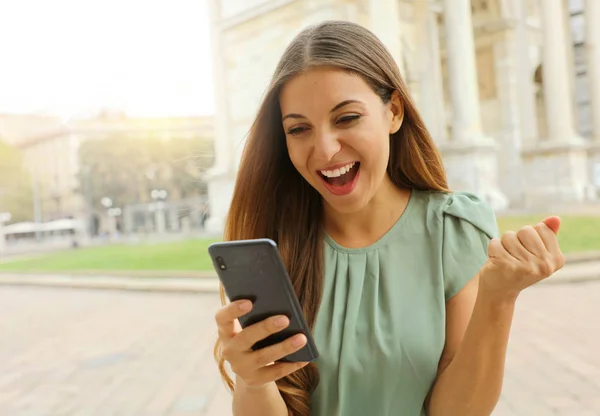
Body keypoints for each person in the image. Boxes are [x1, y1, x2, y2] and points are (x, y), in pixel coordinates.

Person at [213, 20, 564, 416]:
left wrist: (498, 297)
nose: (325, 150)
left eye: (346, 118)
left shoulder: (454, 228)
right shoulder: (274, 245)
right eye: (299, 129)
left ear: (393, 112)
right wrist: (253, 379)